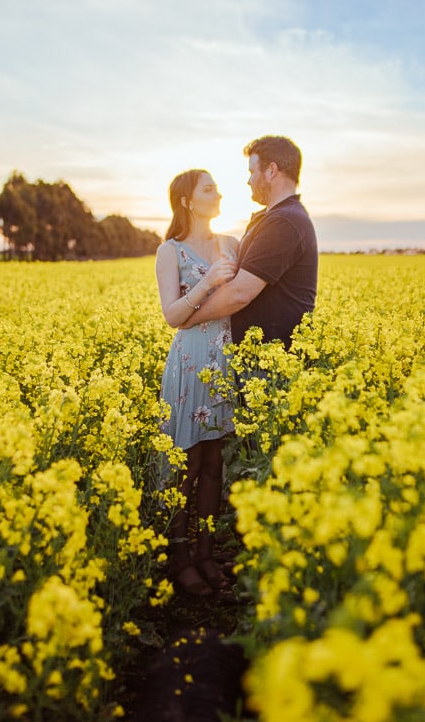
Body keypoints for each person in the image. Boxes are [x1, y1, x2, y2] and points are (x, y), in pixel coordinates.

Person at [155, 169, 239, 597]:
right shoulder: (170, 251)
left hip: (223, 361)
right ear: (187, 200)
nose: (218, 193)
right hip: (189, 364)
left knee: (213, 467)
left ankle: (206, 553)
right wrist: (207, 282)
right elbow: (172, 316)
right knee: (184, 467)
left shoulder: (232, 244)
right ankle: (180, 556)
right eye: (209, 189)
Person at [182, 135, 317, 346]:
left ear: (271, 171)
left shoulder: (284, 221)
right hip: (260, 357)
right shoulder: (274, 217)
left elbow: (240, 293)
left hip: (271, 362)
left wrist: (188, 319)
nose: (249, 180)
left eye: (252, 172)